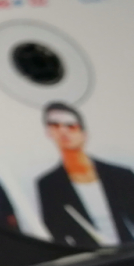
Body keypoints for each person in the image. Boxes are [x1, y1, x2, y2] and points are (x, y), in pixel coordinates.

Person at [37, 102, 134, 248]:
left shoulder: (119, 175)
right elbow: (56, 231)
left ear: (84, 133)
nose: (63, 131)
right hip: (88, 257)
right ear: (48, 132)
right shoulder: (49, 184)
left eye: (71, 126)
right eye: (55, 125)